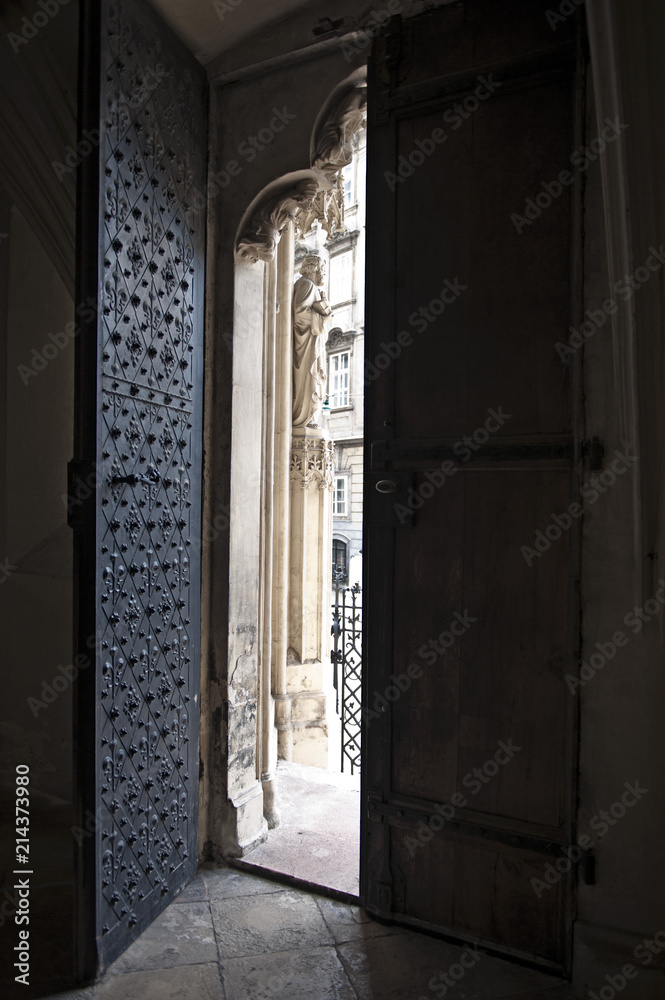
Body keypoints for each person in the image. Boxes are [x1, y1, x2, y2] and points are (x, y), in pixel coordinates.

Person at [292, 254, 333, 427]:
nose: (324, 273)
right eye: (322, 270)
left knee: (312, 382)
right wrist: (324, 318)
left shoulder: (312, 287)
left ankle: (309, 417)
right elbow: (300, 314)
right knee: (308, 381)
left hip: (312, 341)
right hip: (307, 344)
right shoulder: (306, 284)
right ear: (314, 268)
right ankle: (304, 418)